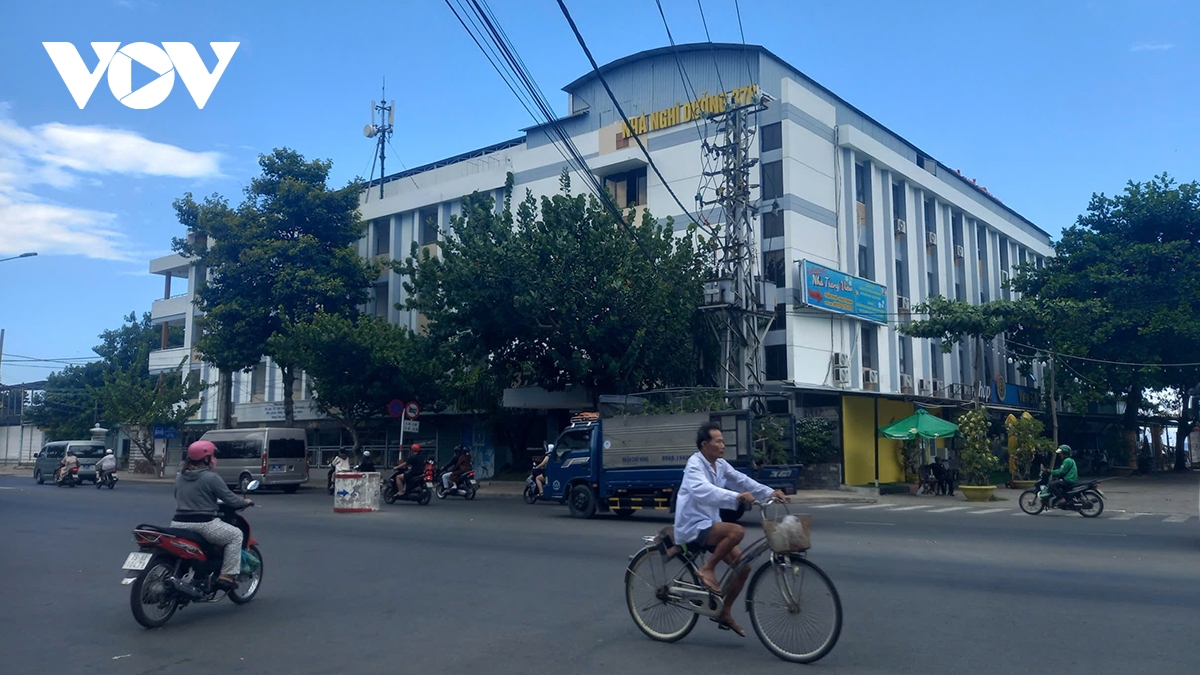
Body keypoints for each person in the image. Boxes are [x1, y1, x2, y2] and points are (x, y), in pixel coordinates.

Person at [673, 421, 788, 638]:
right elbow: (703, 491)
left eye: (723, 442)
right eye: (719, 442)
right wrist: (735, 496)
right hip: (693, 525)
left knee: (743, 568)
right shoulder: (694, 465)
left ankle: (724, 611)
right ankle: (708, 568)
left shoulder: (721, 464)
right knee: (736, 531)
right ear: (705, 444)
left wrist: (770, 492)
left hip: (710, 524)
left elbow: (741, 480)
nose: (723, 446)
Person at [170, 440, 253, 591]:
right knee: (235, 535)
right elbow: (230, 499)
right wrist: (245, 501)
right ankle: (227, 576)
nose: (215, 459)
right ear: (206, 458)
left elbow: (178, 496)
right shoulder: (211, 477)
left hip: (178, 524)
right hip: (203, 524)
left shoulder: (180, 476)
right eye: (213, 456)